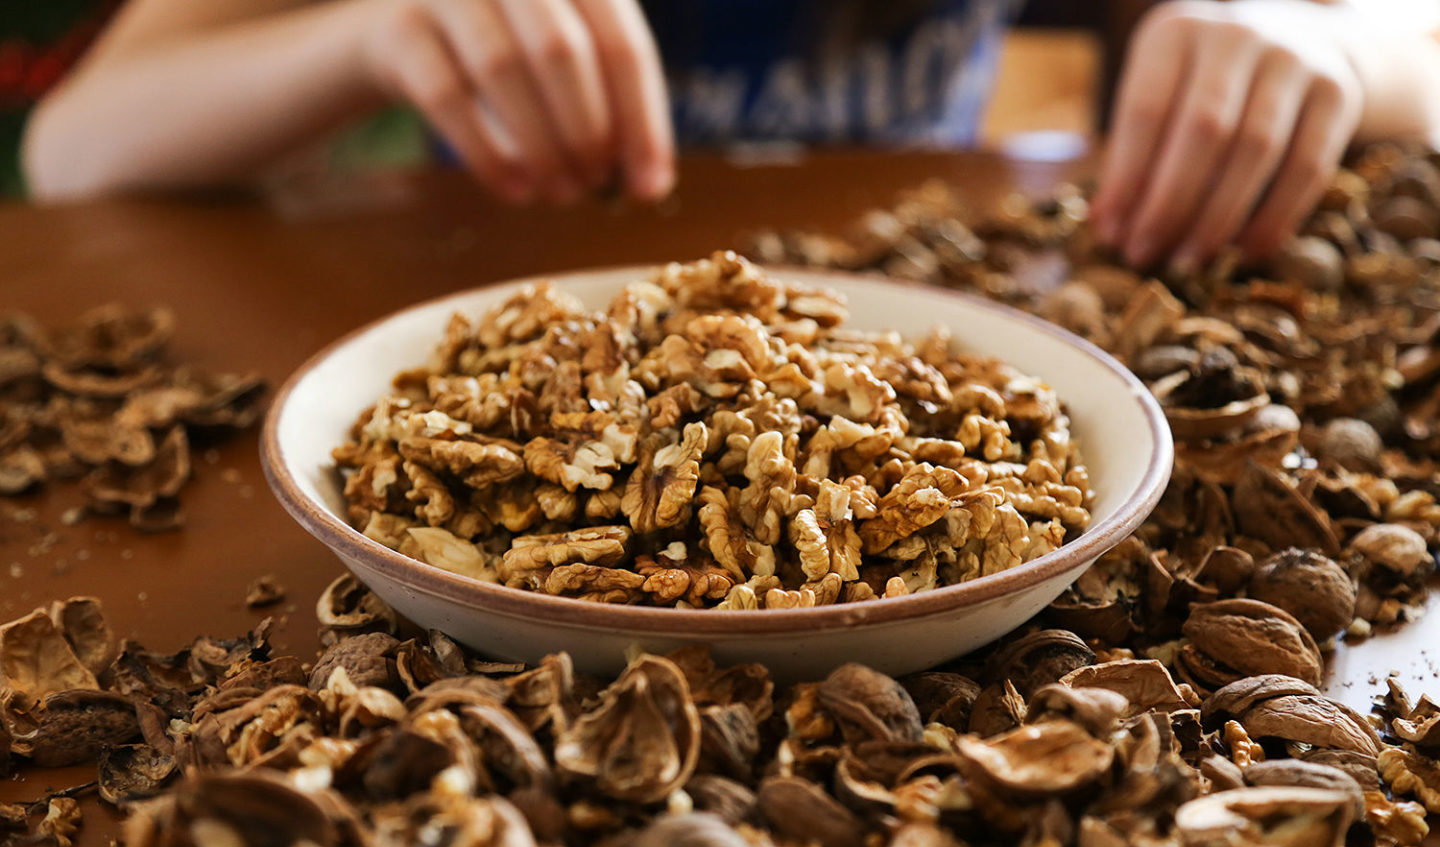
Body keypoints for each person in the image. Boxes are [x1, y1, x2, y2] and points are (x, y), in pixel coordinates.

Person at [16, 0, 1440, 271]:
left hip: (932, 313)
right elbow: (75, 149)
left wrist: (1324, 45)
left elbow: (1419, 63)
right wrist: (366, 34)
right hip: (502, 319)